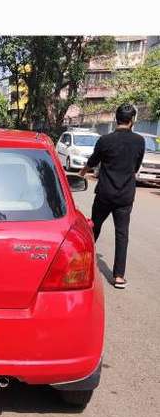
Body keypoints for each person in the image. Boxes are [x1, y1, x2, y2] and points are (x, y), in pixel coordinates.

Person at [79, 103, 145, 289]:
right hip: (125, 195)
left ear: (116, 118)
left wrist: (83, 172)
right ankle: (118, 276)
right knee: (122, 234)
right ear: (132, 121)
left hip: (105, 194)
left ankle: (83, 264)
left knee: (94, 228)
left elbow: (93, 161)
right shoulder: (139, 141)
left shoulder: (105, 140)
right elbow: (136, 167)